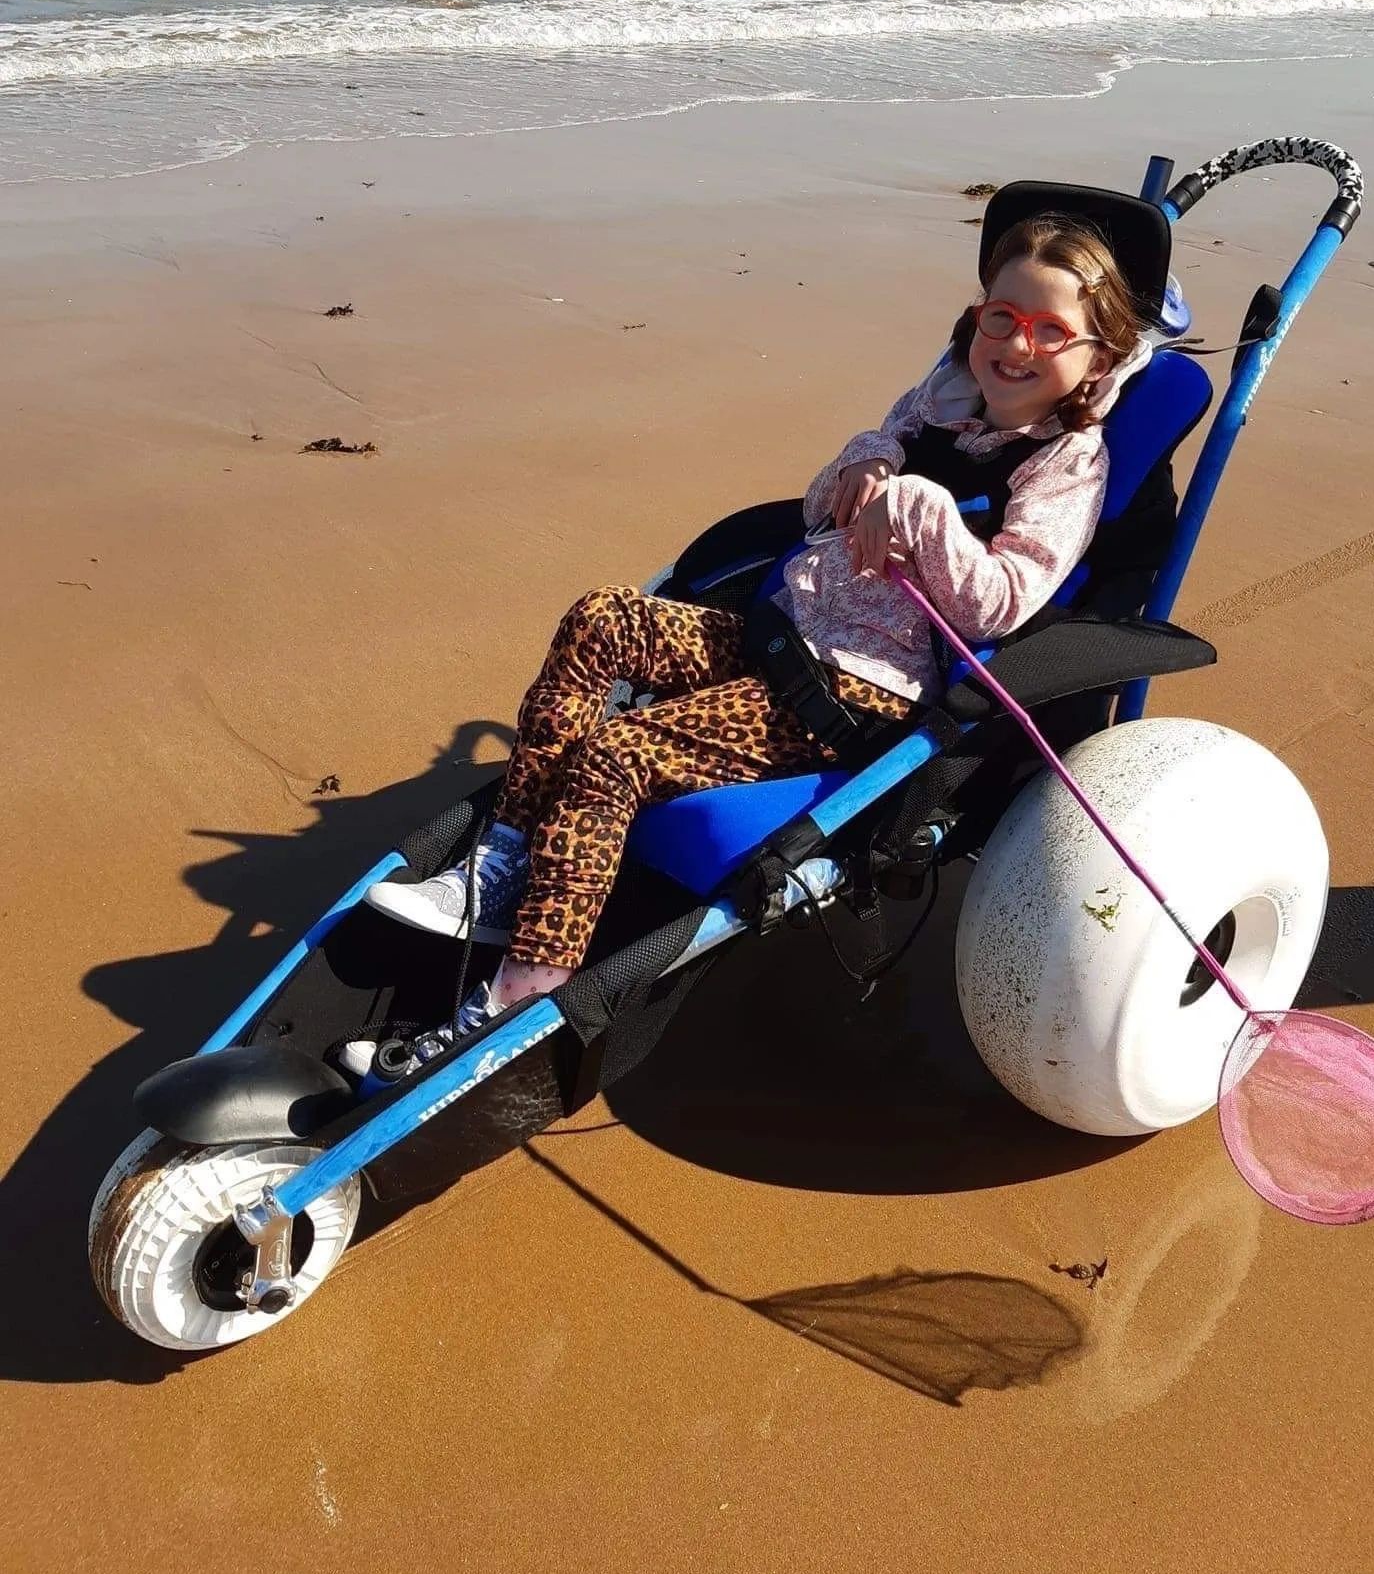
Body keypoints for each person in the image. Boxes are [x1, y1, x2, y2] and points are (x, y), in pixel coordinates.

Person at [363, 214, 1151, 1056]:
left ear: (1097, 360)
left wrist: (920, 505)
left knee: (614, 756)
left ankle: (525, 986)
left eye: (1051, 332)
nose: (1018, 346)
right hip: (781, 628)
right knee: (601, 617)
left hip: (857, 686)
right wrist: (866, 462)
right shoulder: (937, 406)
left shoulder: (1068, 464)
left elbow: (998, 603)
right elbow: (816, 512)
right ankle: (507, 860)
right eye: (1003, 317)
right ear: (978, 316)